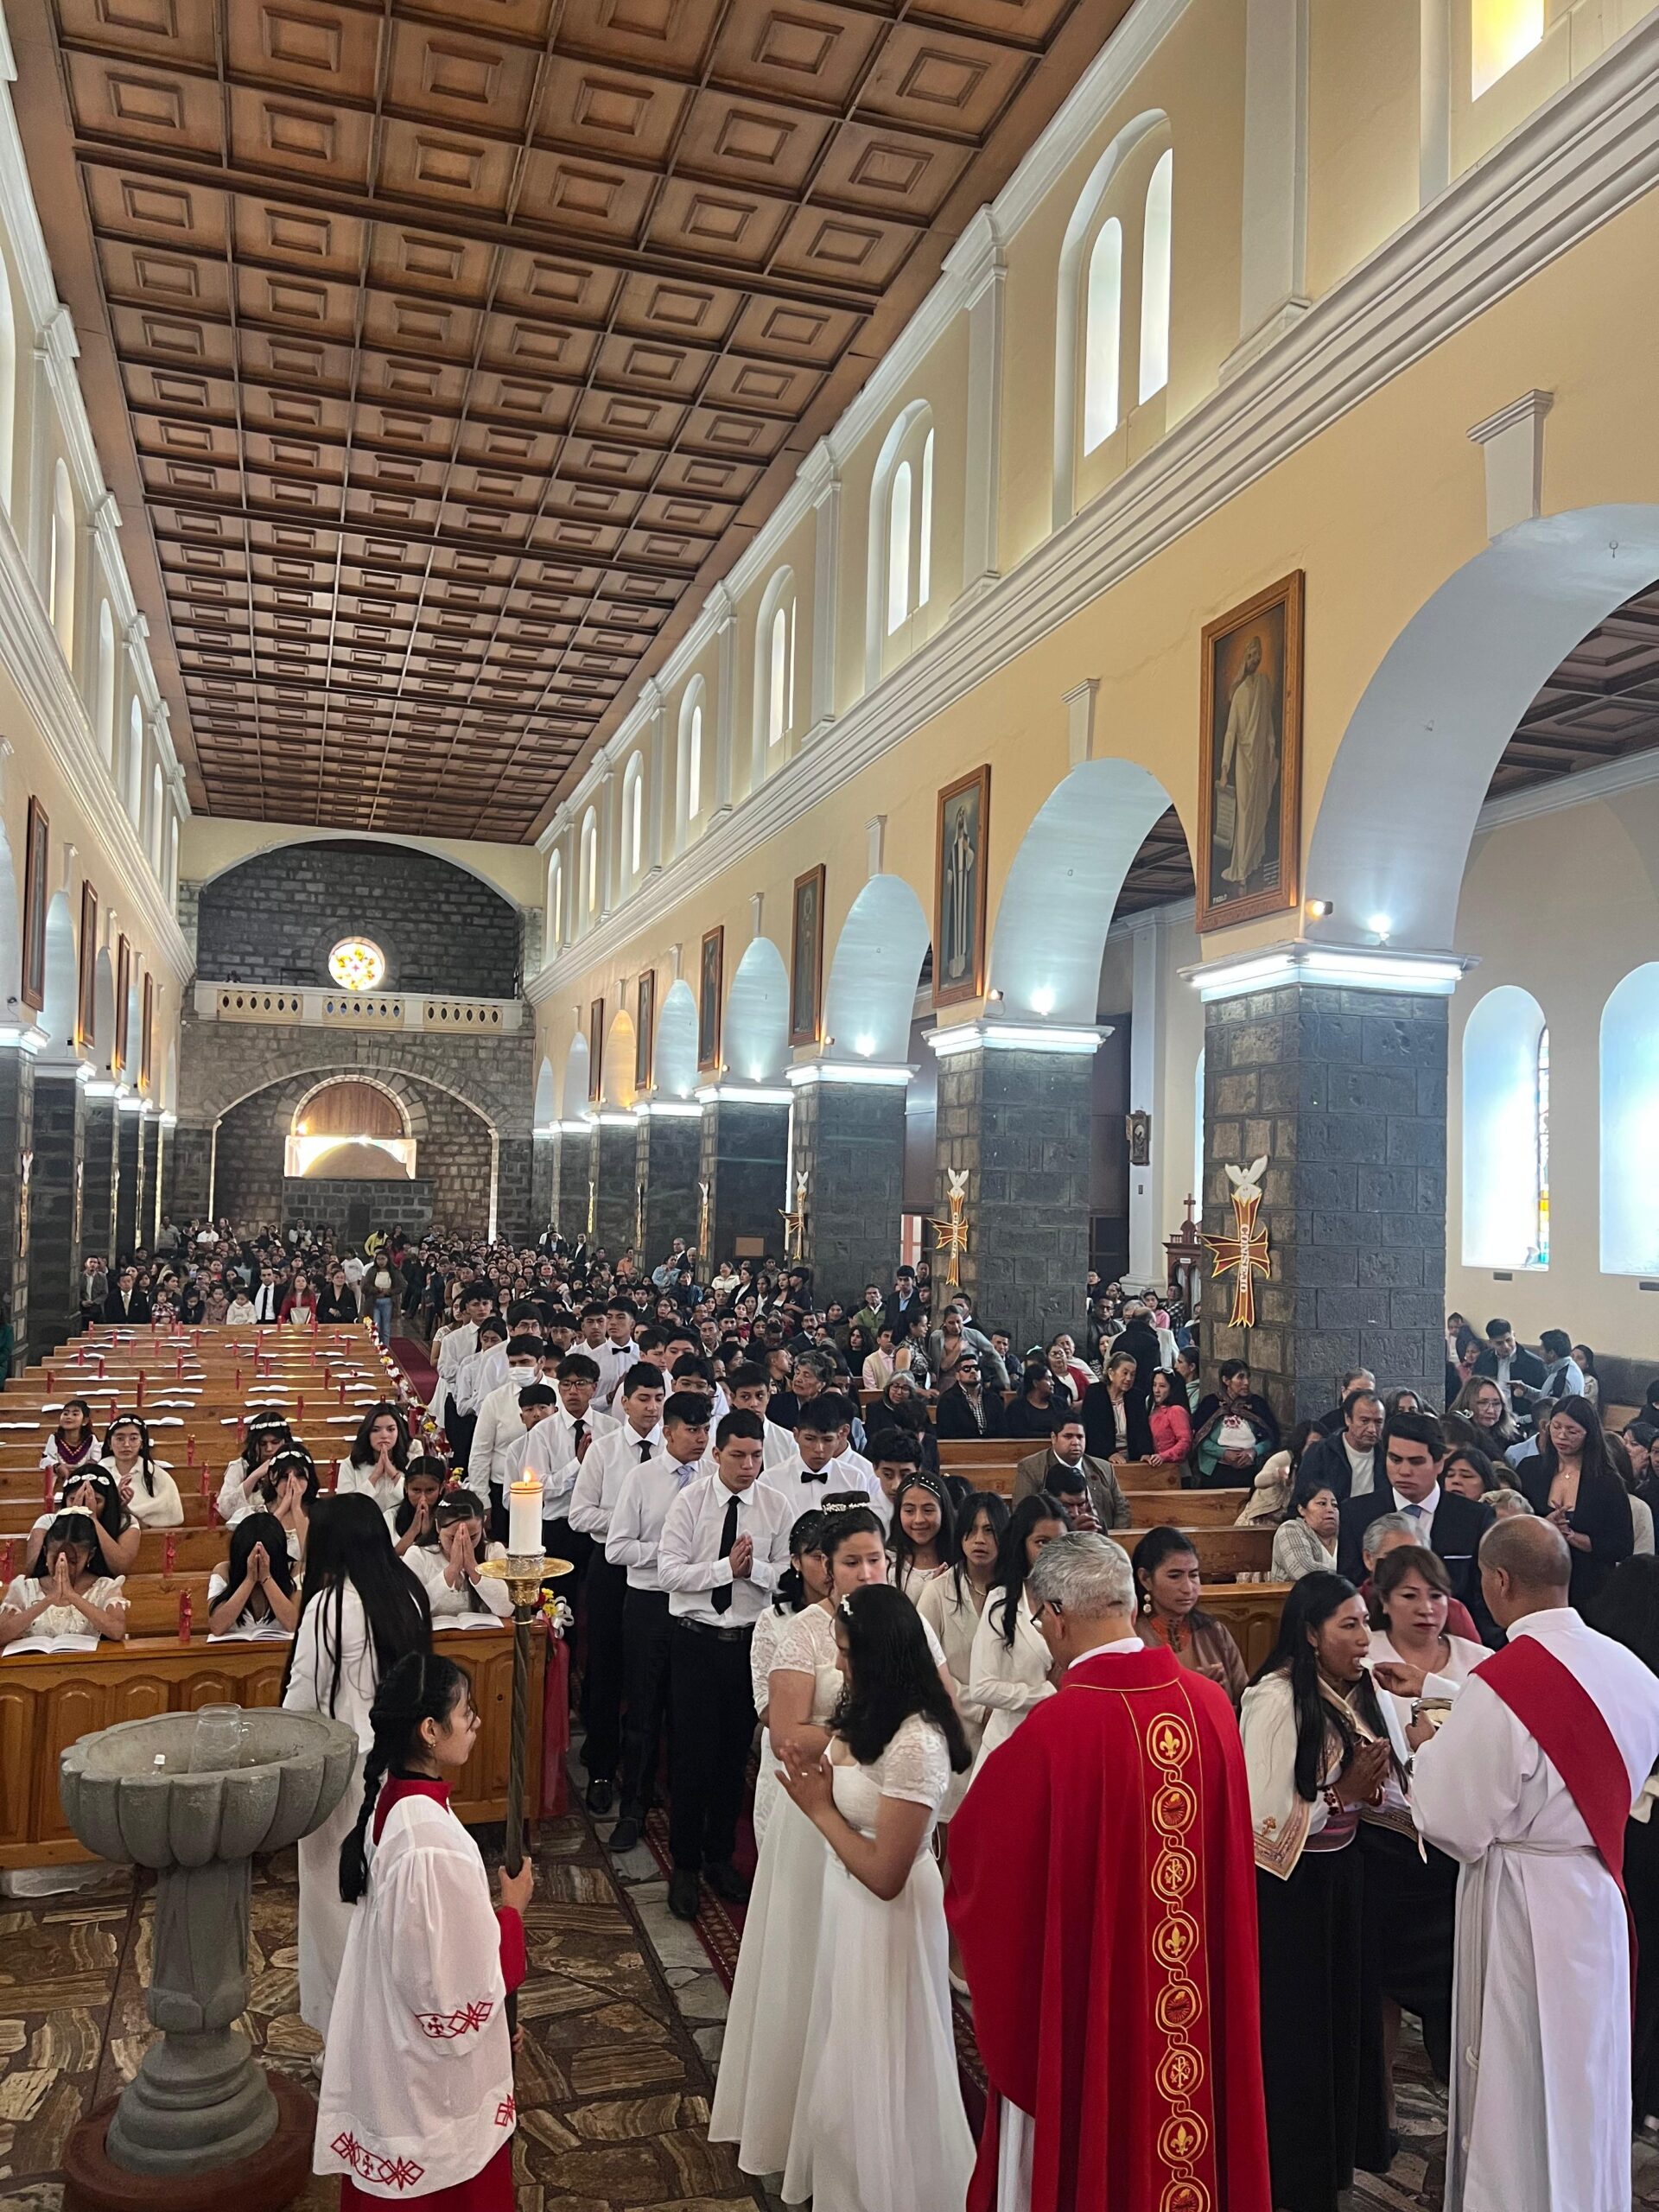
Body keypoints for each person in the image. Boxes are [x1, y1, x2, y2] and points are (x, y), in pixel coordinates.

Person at [949, 1533, 1269, 2212]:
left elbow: (980, 1875)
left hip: (1096, 2011)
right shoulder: (1210, 1708)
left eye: (1040, 1622)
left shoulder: (1053, 1733)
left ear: (1057, 1615)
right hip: (1191, 2006)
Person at [1404, 1517, 1659, 2212]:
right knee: (1587, 2078)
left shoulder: (1503, 1682)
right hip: (1596, 1891)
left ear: (1498, 1581)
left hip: (1522, 1901)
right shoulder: (1631, 1670)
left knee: (1519, 2084)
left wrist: (1425, 1749)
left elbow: (1454, 1820)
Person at [775, 1584, 976, 2212]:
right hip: (849, 1902)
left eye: (845, 1651)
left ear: (879, 1655)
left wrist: (818, 1808)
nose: (837, 1664)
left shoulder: (917, 1742)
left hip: (891, 1914)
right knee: (844, 2050)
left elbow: (887, 1873)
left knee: (881, 2063)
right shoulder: (868, 1709)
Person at [316, 1651, 529, 2209]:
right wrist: (512, 1913)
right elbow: (446, 1989)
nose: (476, 1722)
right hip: (425, 2075)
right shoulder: (427, 1841)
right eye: (466, 1712)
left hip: (392, 2031)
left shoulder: (395, 1796)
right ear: (430, 1730)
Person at [1242, 1573, 1391, 2212]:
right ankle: (1292, 2176)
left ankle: (1331, 2163)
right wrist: (1342, 1794)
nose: (1364, 1639)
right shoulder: (1275, 1699)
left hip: (1342, 1880)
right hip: (1291, 1896)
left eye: (1365, 1623)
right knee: (1299, 2039)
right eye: (1348, 1625)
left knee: (1341, 2028)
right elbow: (1259, 1820)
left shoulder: (1351, 1692)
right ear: (1310, 1633)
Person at [281, 1493, 431, 2044]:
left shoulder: (329, 1605)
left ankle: (347, 2040)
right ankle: (398, 2028)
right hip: (403, 1767)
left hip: (344, 1775)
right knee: (393, 1895)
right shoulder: (409, 1592)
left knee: (336, 1900)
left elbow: (304, 1699)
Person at [1357, 1544, 1483, 2091]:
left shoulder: (1477, 1661)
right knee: (1383, 1975)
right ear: (1384, 1601)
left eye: (1436, 1595)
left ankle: (1458, 2082)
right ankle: (1382, 2093)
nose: (1426, 1608)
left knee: (1460, 1973)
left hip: (1459, 1838)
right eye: (1410, 1595)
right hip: (1387, 1837)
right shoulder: (1366, 1654)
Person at [603, 1391, 712, 1856]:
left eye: (705, 1429)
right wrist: (667, 1555)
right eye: (691, 1430)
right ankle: (633, 1807)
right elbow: (616, 1548)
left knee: (689, 1712)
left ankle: (686, 1809)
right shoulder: (642, 1478)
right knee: (644, 1709)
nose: (700, 1439)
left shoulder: (713, 1478)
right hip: (650, 1603)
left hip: (696, 1607)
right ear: (667, 1432)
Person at [570, 1361, 664, 1816]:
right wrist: (628, 1524)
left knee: (649, 1672)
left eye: (658, 1399)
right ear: (624, 1402)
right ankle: (602, 1768)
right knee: (607, 1667)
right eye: (643, 1398)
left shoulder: (676, 1453)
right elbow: (579, 1515)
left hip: (658, 1573)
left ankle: (643, 1769)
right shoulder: (604, 1450)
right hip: (610, 1567)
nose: (651, 1407)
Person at [1587, 1554, 1659, 2130]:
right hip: (1646, 1819)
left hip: (1615, 1824)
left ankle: (1619, 2085)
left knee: (1620, 1958)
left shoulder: (1601, 1661)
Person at [1337, 1410, 1495, 1631]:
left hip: (1456, 1636)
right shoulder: (1356, 1513)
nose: (1404, 1471)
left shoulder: (1475, 1517)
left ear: (1439, 1463)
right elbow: (1349, 1592)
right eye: (1395, 1459)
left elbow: (1483, 1599)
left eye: (1416, 1461)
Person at [967, 1493, 1068, 1779]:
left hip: (1062, 1741)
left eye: (1060, 1543)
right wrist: (1045, 1692)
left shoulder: (1079, 1602)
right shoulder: (1001, 1601)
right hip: (1009, 1742)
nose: (1052, 1554)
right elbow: (981, 1688)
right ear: (1023, 1544)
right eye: (1042, 1543)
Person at [1516, 1395, 1633, 1609]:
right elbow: (1514, 1524)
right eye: (1556, 1427)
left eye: (1572, 1431)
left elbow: (1622, 1546)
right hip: (1537, 1578)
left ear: (1589, 1434)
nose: (1562, 1436)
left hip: (1589, 1586)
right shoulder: (1529, 1469)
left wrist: (1573, 1537)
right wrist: (1545, 1526)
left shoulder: (1607, 1482)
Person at [917, 1491, 1007, 1757]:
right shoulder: (937, 1591)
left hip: (1009, 1723)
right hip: (954, 1728)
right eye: (971, 1529)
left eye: (989, 1530)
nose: (979, 1540)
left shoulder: (1019, 1591)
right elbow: (923, 1666)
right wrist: (979, 1708)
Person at [1133, 1523, 1248, 1703]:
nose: (1188, 1588)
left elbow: (1244, 1701)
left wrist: (1216, 1696)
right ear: (1146, 1579)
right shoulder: (1133, 1638)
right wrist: (1197, 1690)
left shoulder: (1215, 1632)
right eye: (1175, 1576)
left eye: (1193, 1575)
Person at [0, 1512, 130, 1647]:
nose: (63, 1565)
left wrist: (72, 1596)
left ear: (90, 1556)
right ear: (45, 1552)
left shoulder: (104, 1587)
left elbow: (117, 1632)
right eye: (55, 1558)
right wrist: (50, 1599)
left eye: (73, 1561)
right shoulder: (25, 1588)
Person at [406, 1491, 512, 1620]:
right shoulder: (418, 1555)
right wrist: (452, 1570)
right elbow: (411, 1609)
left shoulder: (493, 1551)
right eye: (452, 1537)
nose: (462, 1542)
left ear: (482, 1525)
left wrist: (472, 1567)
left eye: (472, 1537)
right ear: (438, 1527)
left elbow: (506, 1609)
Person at [1011, 1416, 1128, 1530]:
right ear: (1054, 1438)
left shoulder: (1104, 1468)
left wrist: (1114, 1537)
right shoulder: (1031, 1467)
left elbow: (1122, 1508)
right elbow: (1022, 1513)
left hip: (1101, 1536)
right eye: (1068, 1437)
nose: (1075, 1442)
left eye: (1080, 1437)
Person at [207, 1510, 302, 1637]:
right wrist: (249, 1580)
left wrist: (266, 1578)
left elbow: (293, 1624)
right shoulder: (223, 1572)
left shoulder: (296, 1570)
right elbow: (217, 1627)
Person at [1191, 1360, 1278, 1484]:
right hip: (1216, 1470)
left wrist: (1253, 1452)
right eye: (1241, 1378)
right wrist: (1223, 1453)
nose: (1246, 1382)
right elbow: (1199, 1439)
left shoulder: (1257, 1404)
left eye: (1248, 1377)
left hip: (1250, 1469)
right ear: (1226, 1380)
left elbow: (1271, 1438)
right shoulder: (1211, 1403)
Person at [1297, 1389, 1385, 1502]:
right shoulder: (1321, 1452)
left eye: (1378, 1422)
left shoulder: (1387, 1454)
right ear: (1348, 1419)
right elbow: (1300, 1499)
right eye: (1364, 1421)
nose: (1372, 1429)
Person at [100, 1414, 183, 1529]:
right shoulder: (98, 1474)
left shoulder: (158, 1477)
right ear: (109, 1443)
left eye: (133, 1439)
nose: (126, 1444)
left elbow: (170, 1520)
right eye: (120, 1439)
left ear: (142, 1443)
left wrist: (125, 1510)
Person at [335, 1404, 416, 1518]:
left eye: (391, 1429)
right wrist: (375, 1475)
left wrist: (393, 1474)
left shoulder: (412, 1461)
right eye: (375, 1430)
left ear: (399, 1432)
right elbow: (345, 1509)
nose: (384, 1435)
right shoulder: (350, 1465)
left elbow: (416, 1502)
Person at [1079, 1351, 1153, 1464]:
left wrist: (1145, 1452)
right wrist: (1109, 1453)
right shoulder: (1095, 1393)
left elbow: (1142, 1429)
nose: (1129, 1378)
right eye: (1125, 1373)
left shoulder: (1136, 1396)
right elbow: (1091, 1430)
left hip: (1131, 1457)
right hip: (1101, 1457)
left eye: (1133, 1374)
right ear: (1111, 1373)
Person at [1272, 1475, 1340, 1581]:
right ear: (1302, 1510)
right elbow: (1304, 1572)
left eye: (1334, 1505)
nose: (1330, 1509)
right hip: (1296, 1592)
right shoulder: (1290, 1529)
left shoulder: (1346, 1533)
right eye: (1322, 1503)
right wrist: (1350, 1573)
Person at [936, 1350, 1009, 1440]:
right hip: (960, 1447)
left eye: (976, 1368)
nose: (973, 1371)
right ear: (957, 1376)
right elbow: (945, 1433)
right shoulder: (948, 1400)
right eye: (967, 1369)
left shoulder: (993, 1398)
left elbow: (1003, 1430)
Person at [41, 1396, 99, 1476]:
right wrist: (58, 1467)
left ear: (85, 1421)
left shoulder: (91, 1439)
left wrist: (87, 1467)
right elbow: (46, 1460)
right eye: (65, 1414)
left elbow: (98, 1460)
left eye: (75, 1414)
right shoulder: (55, 1438)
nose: (69, 1417)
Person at [1146, 1366, 1192, 1464]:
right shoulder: (1154, 1409)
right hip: (1157, 1465)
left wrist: (1164, 1456)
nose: (1156, 1390)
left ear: (1172, 1389)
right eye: (1154, 1385)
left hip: (1174, 1467)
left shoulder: (1176, 1410)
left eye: (1162, 1386)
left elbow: (1185, 1441)